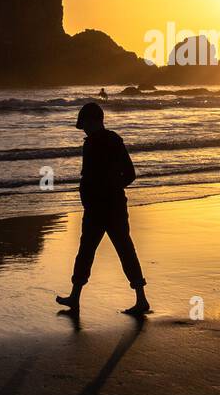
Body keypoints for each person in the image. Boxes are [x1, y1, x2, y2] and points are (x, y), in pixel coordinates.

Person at [56, 102, 150, 316]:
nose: (85, 129)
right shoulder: (100, 141)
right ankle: (76, 297)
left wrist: (109, 190)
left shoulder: (106, 142)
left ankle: (140, 299)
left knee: (107, 251)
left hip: (105, 207)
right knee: (101, 251)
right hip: (103, 206)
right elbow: (129, 175)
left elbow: (129, 174)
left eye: (86, 124)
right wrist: (111, 189)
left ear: (94, 121)